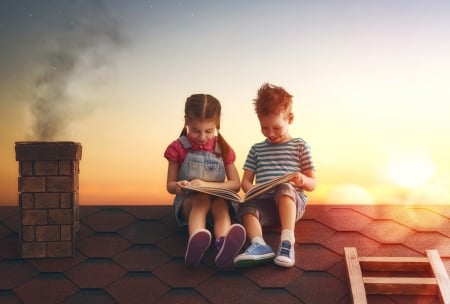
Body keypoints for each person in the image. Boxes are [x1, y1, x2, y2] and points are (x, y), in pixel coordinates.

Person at [234, 83, 317, 268]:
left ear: (290, 119)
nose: (271, 134)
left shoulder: (300, 146)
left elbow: (313, 183)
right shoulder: (256, 149)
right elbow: (245, 182)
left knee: (284, 187)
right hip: (265, 204)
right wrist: (252, 189)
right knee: (245, 206)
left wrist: (302, 180)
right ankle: (259, 245)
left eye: (277, 128)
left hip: (291, 203)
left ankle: (287, 241)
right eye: (264, 128)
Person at [164, 94, 246, 268]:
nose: (202, 137)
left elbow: (235, 184)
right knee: (201, 199)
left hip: (216, 201)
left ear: (217, 124)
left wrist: (206, 185)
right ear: (187, 121)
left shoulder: (222, 148)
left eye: (208, 131)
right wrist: (179, 186)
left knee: (221, 204)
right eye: (196, 130)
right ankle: (196, 241)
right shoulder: (178, 147)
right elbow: (169, 185)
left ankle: (222, 243)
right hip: (189, 205)